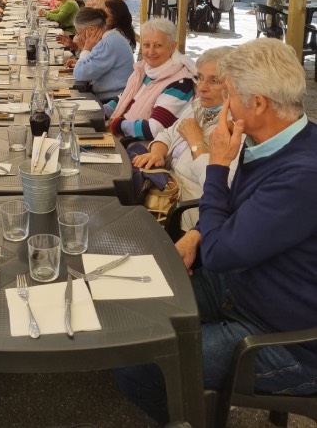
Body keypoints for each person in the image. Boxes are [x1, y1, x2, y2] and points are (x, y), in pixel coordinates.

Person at [116, 38, 317, 425]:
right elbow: (238, 224)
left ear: (257, 103)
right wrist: (198, 234)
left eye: (231, 95)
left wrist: (218, 165)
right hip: (243, 286)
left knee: (137, 363)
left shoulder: (301, 174)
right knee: (134, 299)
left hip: (286, 337)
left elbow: (224, 250)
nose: (224, 104)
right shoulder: (276, 142)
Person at [131, 46, 238, 230]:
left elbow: (221, 185)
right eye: (200, 78)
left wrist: (196, 142)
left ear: (235, 85)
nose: (202, 88)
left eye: (214, 81)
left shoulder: (237, 126)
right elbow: (166, 133)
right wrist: (157, 153)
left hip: (187, 217)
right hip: (161, 195)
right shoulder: (199, 106)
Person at [104, 18, 196, 142]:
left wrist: (116, 124)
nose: (151, 51)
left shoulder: (180, 83)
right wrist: (97, 113)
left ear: (172, 47)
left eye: (158, 45)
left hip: (139, 148)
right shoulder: (143, 70)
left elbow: (154, 129)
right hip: (119, 135)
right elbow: (123, 98)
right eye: (146, 45)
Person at [65, 8, 133, 102]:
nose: (78, 37)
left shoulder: (107, 44)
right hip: (114, 96)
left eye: (79, 33)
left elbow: (80, 74)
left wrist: (86, 49)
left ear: (91, 30)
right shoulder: (112, 38)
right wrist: (79, 63)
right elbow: (91, 65)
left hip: (112, 100)